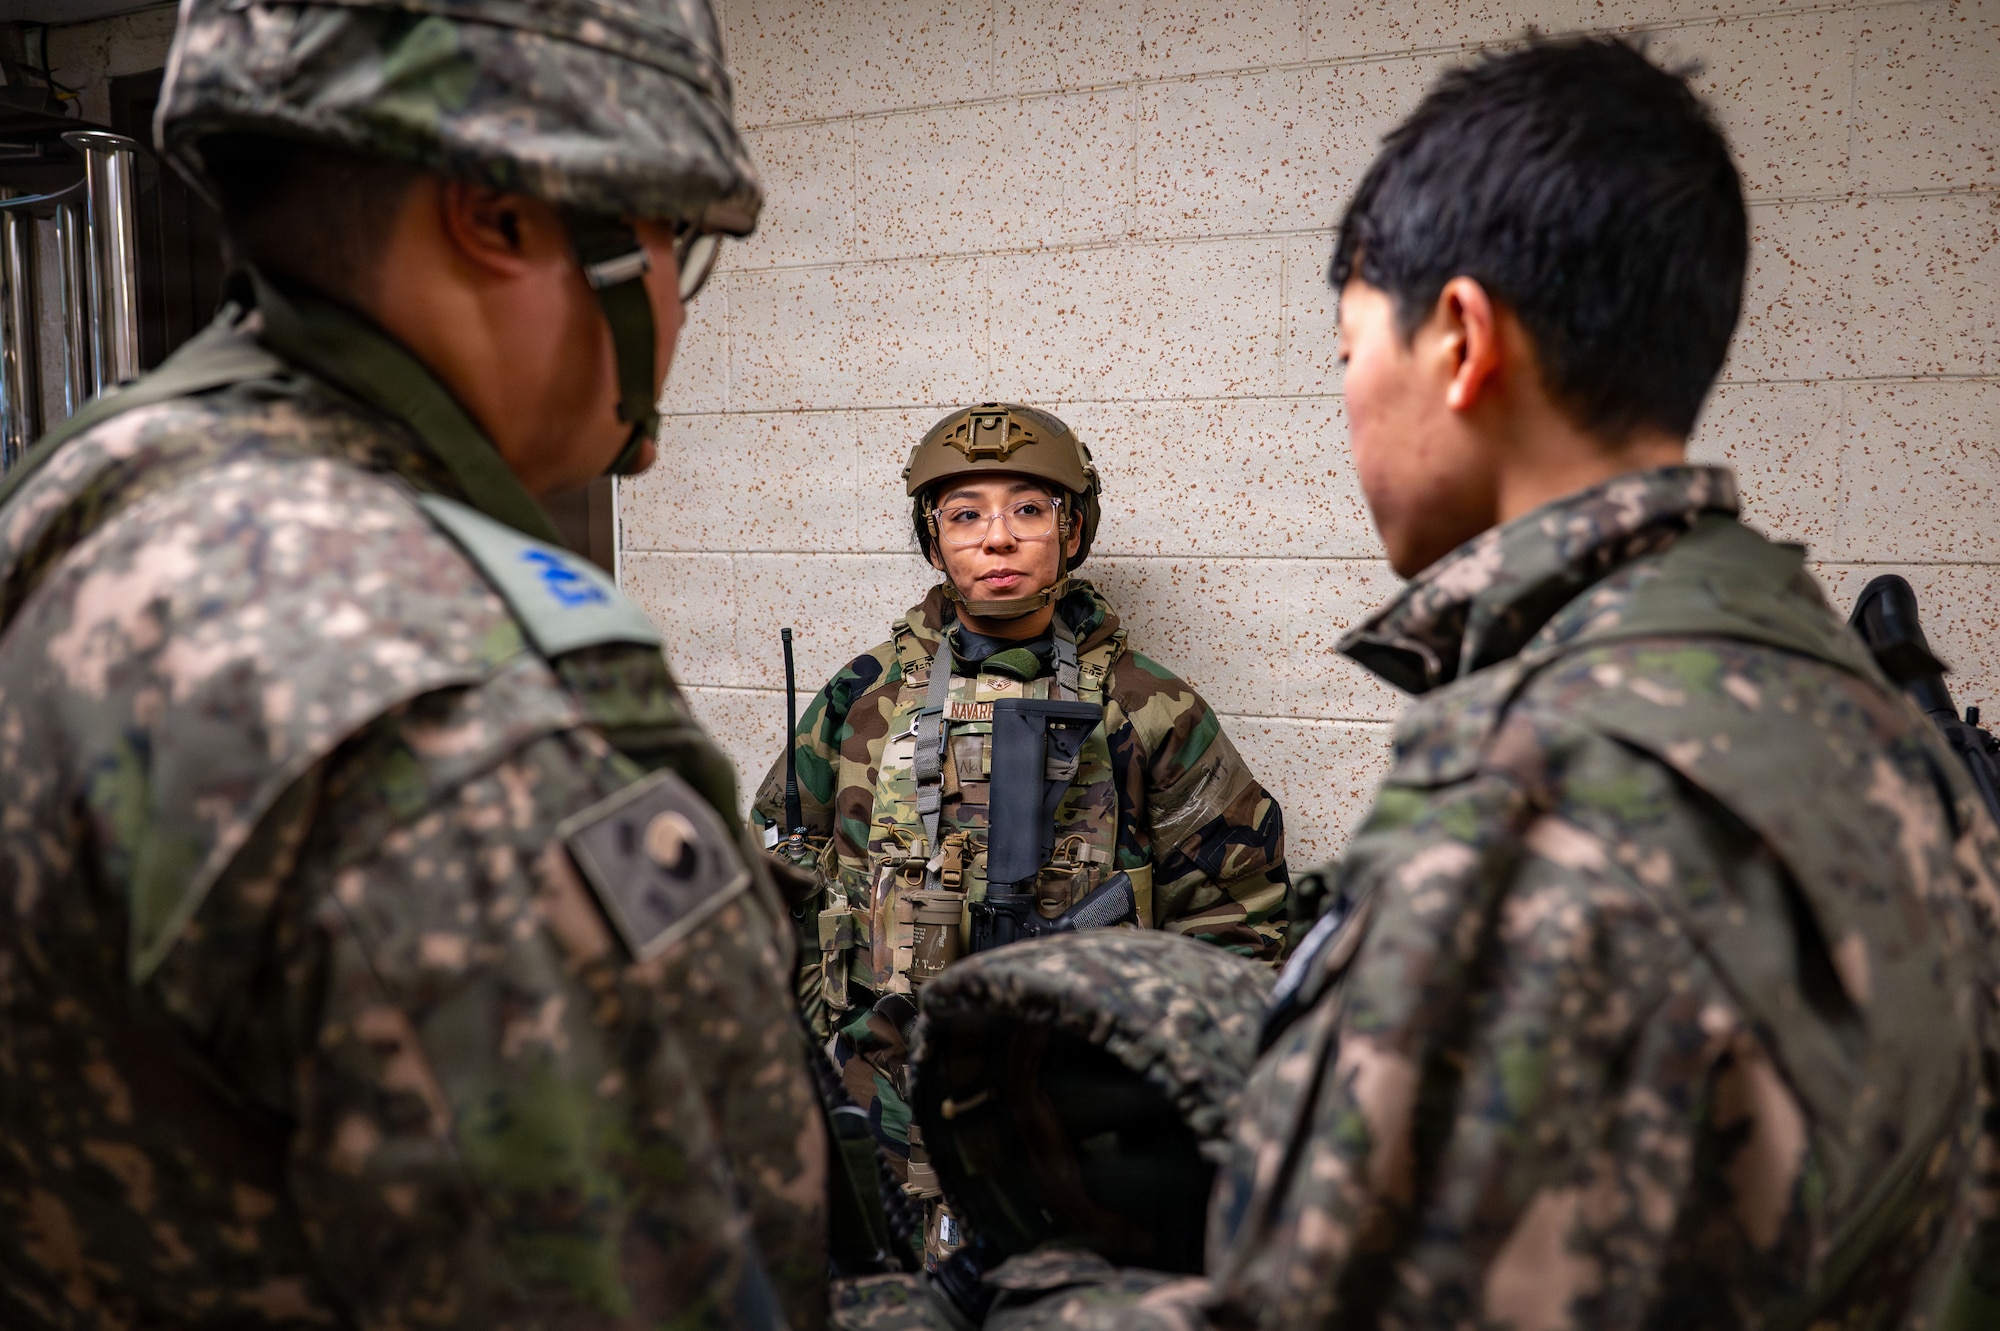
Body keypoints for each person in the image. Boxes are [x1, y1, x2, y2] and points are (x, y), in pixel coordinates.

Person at [982, 36, 2000, 1331]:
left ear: (1460, 340)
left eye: (1351, 352)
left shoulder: (1532, 777)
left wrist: (1040, 1296)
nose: (1349, 406)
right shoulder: (1847, 691)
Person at [0, 2, 829, 1327]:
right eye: (674, 245)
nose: (678, 308)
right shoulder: (459, 726)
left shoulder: (89, 497)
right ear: (501, 215)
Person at [751, 404, 1288, 1257]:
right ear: (934, 542)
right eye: (965, 514)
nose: (996, 538)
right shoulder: (859, 699)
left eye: (1028, 509)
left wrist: (1172, 1095)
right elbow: (772, 881)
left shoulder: (1150, 707)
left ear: (1072, 532)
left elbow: (1238, 917)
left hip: (1075, 1111)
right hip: (877, 1097)